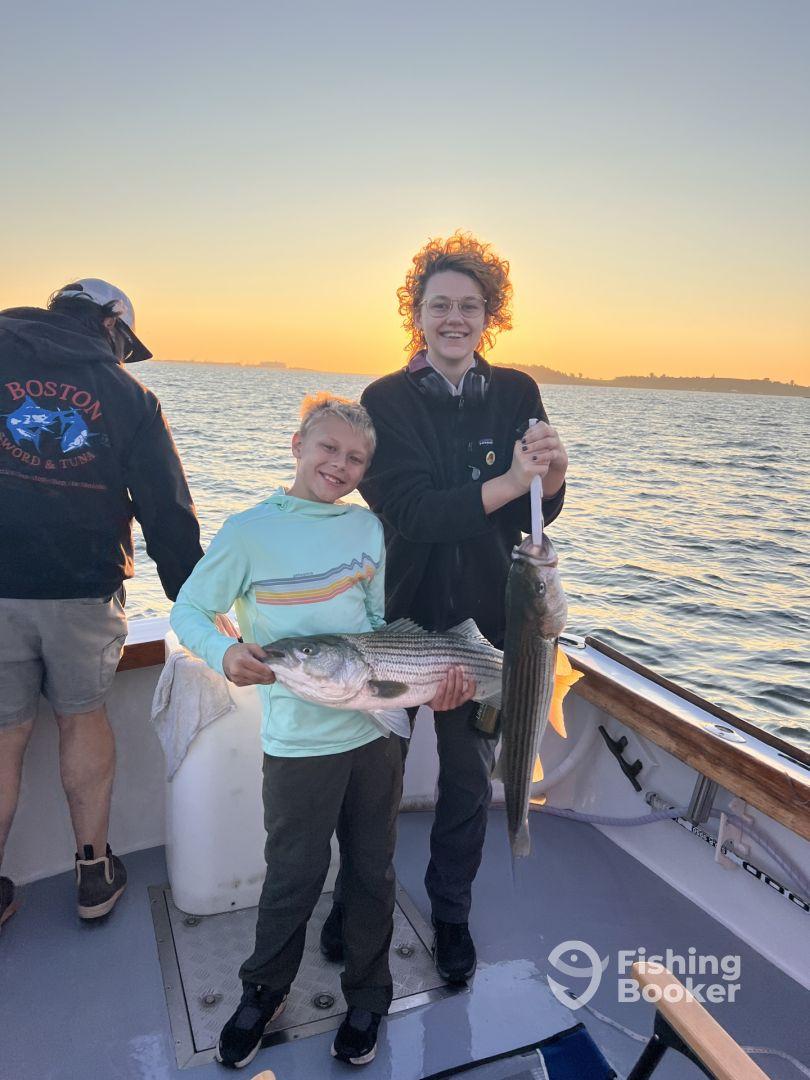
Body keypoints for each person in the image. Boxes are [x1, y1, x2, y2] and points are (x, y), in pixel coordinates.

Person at [320, 231, 568, 983]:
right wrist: (507, 482)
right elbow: (413, 510)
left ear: (488, 317)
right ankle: (354, 904)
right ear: (416, 316)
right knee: (372, 784)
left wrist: (551, 477)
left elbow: (538, 514)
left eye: (469, 306)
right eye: (439, 306)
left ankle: (451, 915)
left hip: (490, 637)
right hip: (398, 625)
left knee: (466, 786)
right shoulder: (384, 401)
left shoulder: (518, 391)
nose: (454, 318)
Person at [170, 394, 403, 1070]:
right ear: (298, 444)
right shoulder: (249, 531)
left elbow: (381, 626)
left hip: (373, 736)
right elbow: (191, 609)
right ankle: (264, 991)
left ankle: (368, 993)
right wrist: (223, 653)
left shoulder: (368, 533)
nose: (340, 465)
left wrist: (428, 678)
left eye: (356, 458)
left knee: (371, 872)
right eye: (328, 448)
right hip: (300, 745)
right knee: (293, 877)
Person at [0, 279, 203, 930]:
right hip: (82, 587)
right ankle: (93, 872)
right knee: (83, 717)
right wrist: (193, 602)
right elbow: (166, 512)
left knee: (3, 736)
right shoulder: (129, 396)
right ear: (111, 322)